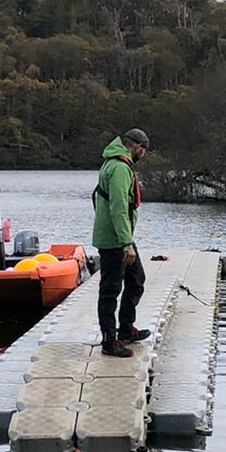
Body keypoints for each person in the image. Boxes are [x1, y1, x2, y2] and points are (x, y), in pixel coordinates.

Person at [92, 128, 151, 358]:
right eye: (143, 148)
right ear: (134, 146)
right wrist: (126, 243)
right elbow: (118, 207)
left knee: (136, 280)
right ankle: (109, 342)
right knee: (110, 290)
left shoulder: (117, 163)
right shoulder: (118, 168)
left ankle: (125, 329)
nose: (143, 153)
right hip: (114, 240)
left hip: (121, 236)